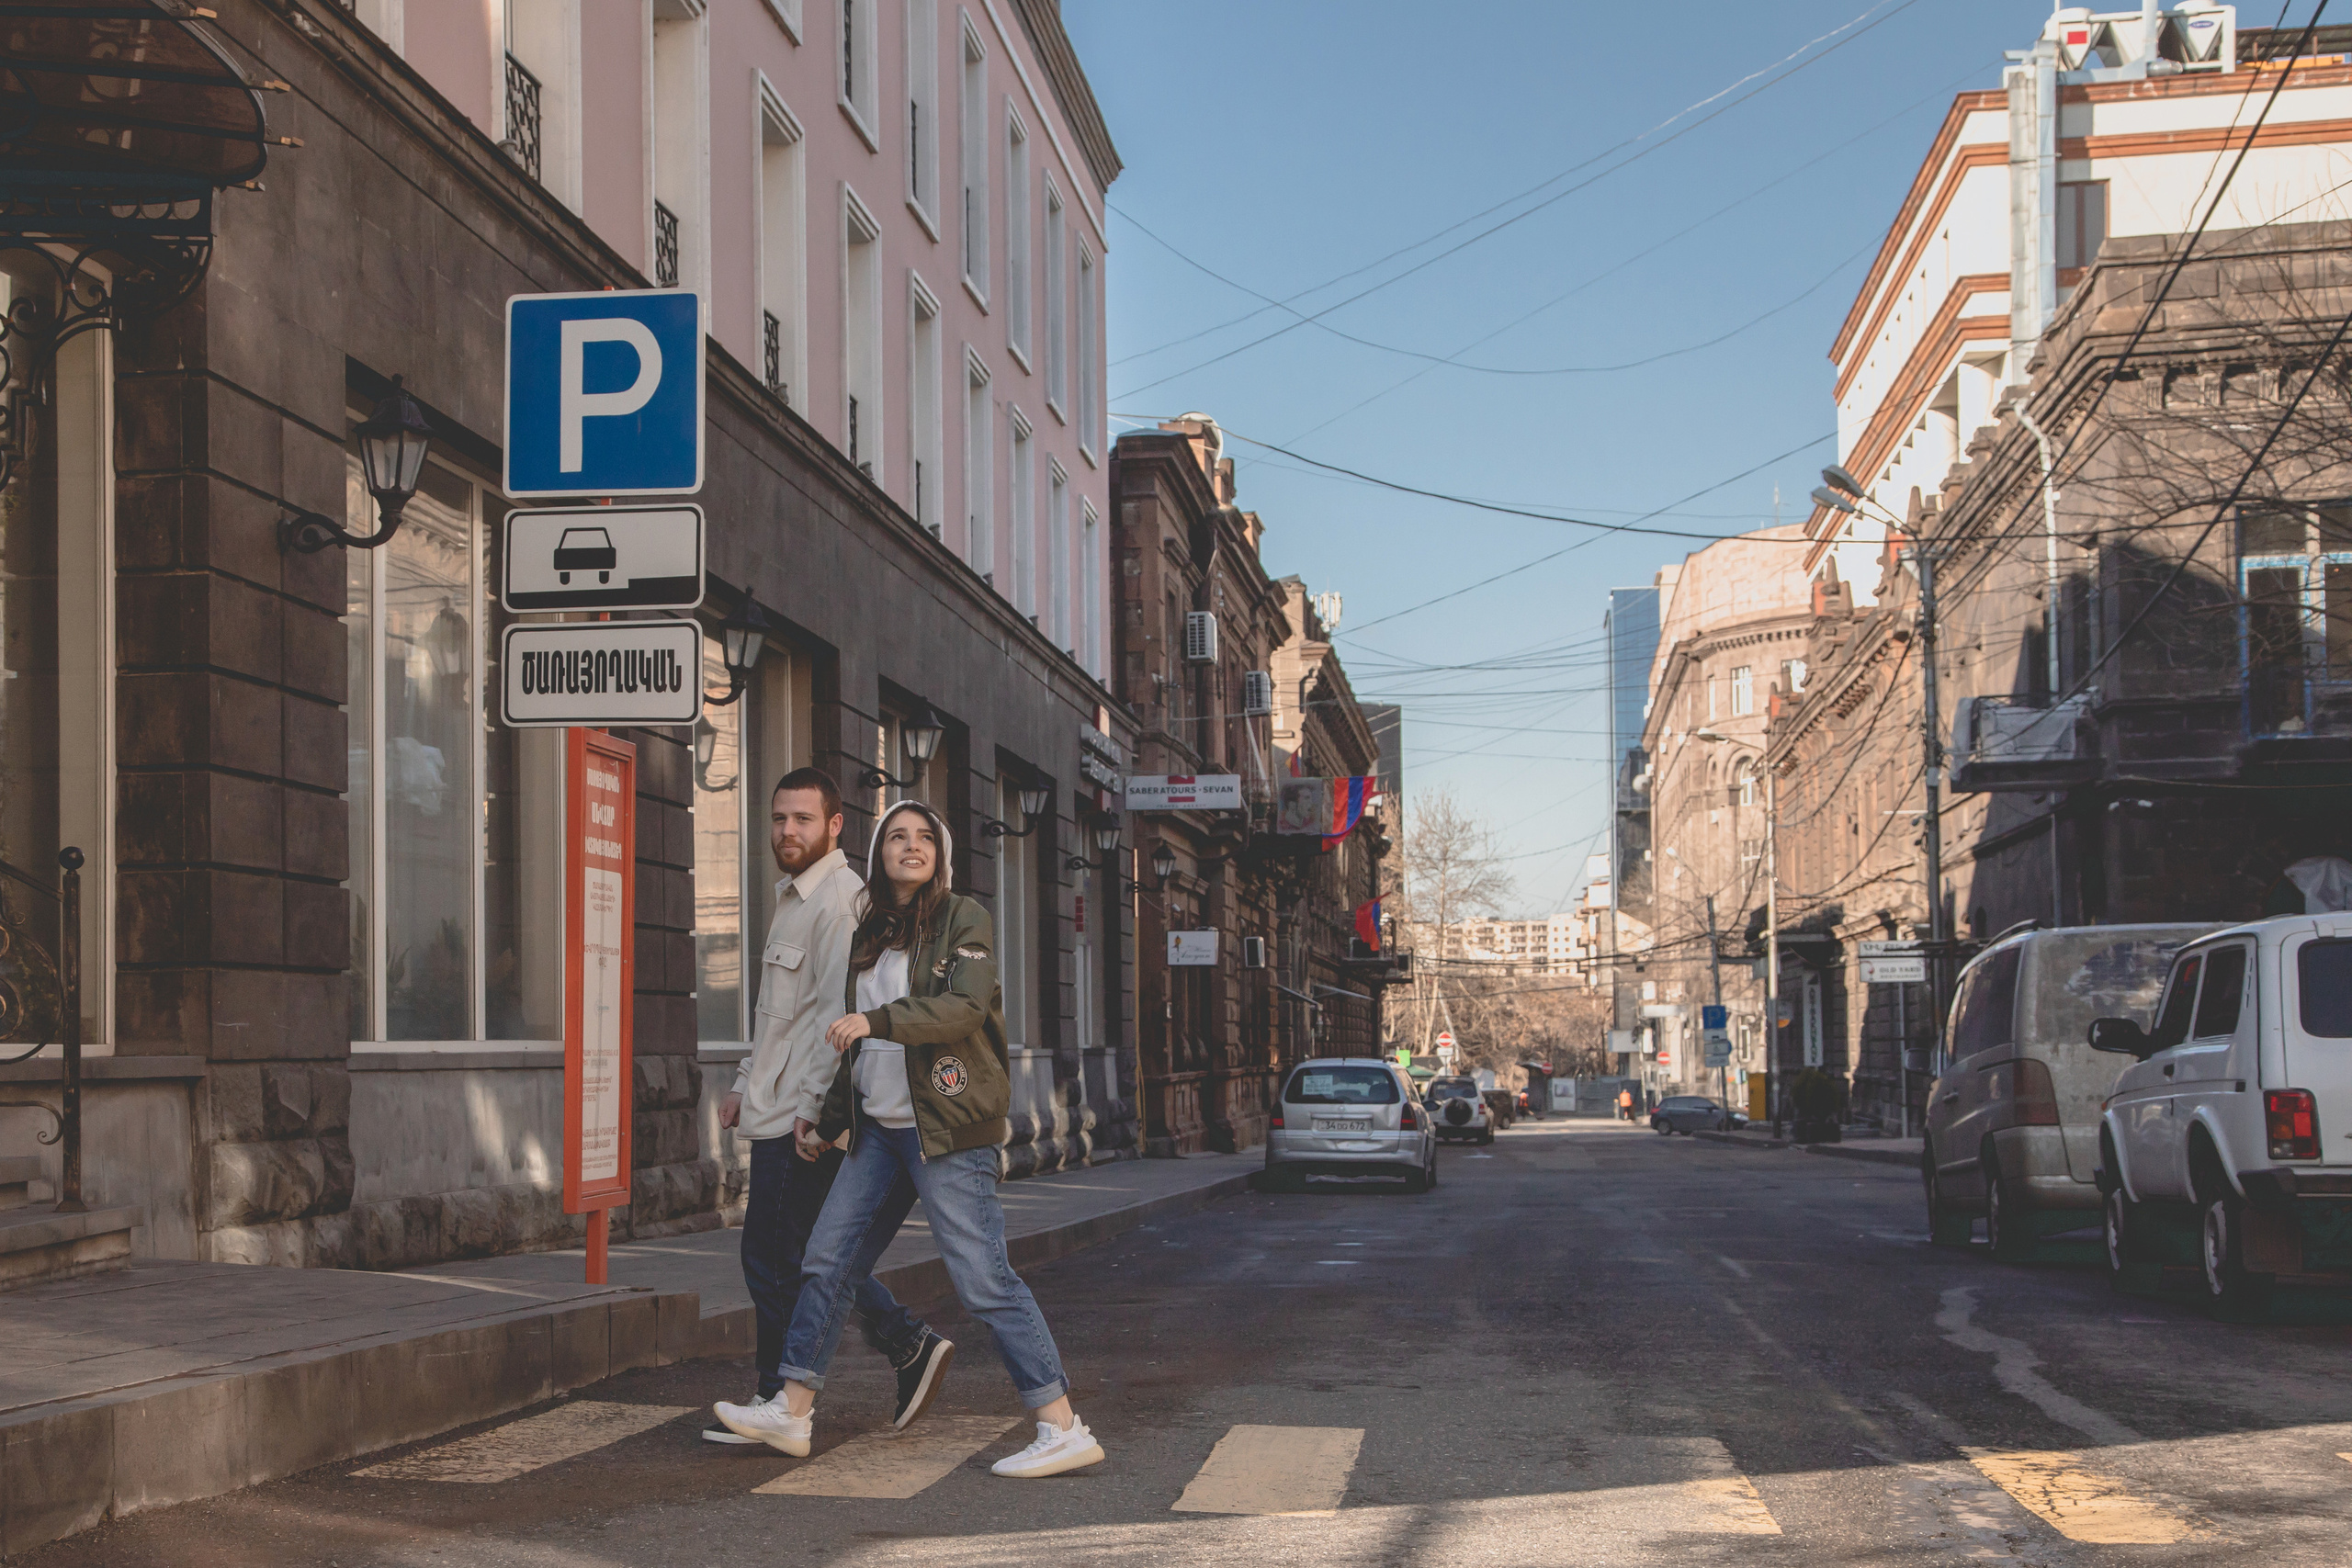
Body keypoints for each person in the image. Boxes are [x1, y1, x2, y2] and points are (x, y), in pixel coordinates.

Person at [759, 799, 1104, 1479]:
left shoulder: (962, 917)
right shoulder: (871, 928)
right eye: (896, 836)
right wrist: (828, 1118)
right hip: (879, 1131)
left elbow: (963, 1006)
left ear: (940, 853)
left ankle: (1061, 1423)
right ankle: (792, 1407)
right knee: (827, 1260)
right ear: (879, 852)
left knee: (983, 1279)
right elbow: (852, 1042)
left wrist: (876, 1018)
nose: (910, 845)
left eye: (924, 836)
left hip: (943, 1129)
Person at [708, 771, 954, 1449]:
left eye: (803, 820)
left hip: (800, 1113)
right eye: (780, 818)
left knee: (781, 1253)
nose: (788, 831)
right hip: (772, 1103)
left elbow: (833, 1019)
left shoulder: (841, 900)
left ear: (835, 825)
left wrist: (814, 1110)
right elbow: (773, 1014)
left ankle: (784, 1396)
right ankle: (891, 1349)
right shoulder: (793, 898)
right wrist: (740, 1079)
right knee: (800, 1253)